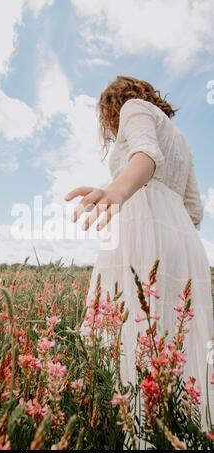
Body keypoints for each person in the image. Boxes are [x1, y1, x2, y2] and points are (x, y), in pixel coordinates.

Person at [64, 75, 213, 430]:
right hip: (183, 240)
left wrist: (117, 191)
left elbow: (145, 154)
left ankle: (135, 427)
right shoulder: (182, 138)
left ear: (112, 106)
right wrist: (170, 225)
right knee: (181, 332)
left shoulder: (133, 108)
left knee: (130, 321)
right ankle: (190, 426)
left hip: (139, 225)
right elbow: (194, 211)